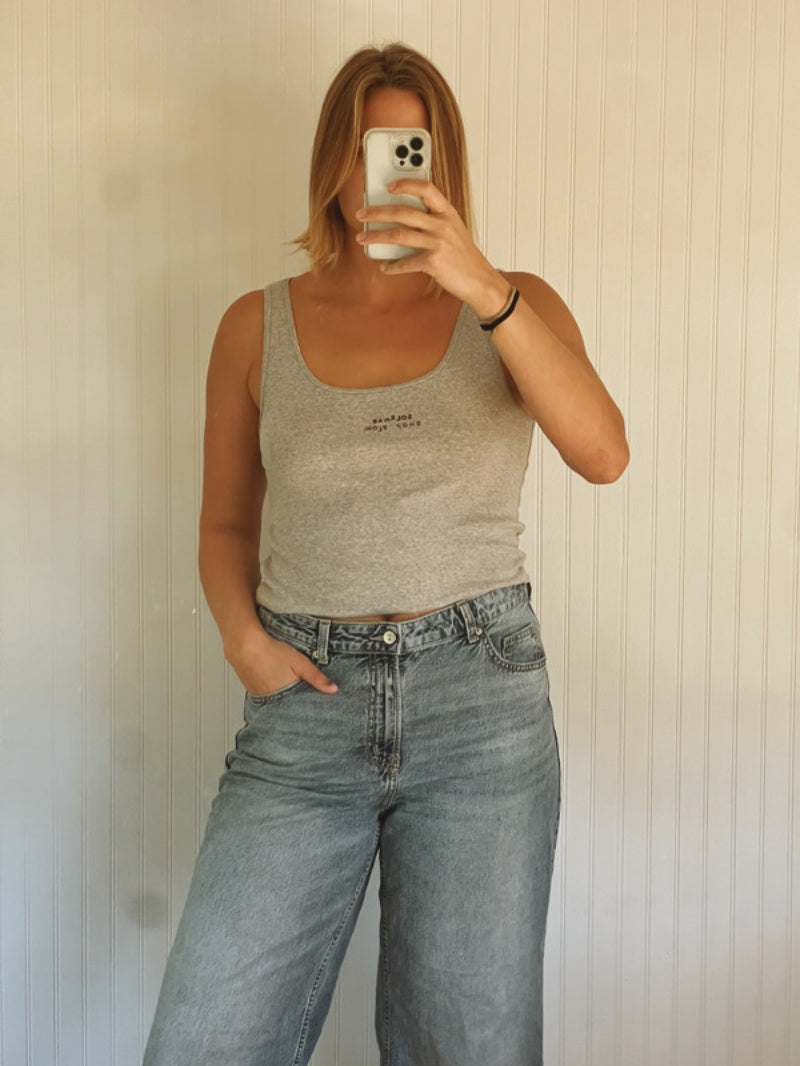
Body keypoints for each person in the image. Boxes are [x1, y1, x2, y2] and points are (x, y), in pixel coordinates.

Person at [143, 42, 628, 1066]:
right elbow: (225, 524)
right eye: (373, 148)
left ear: (444, 164)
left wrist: (483, 287)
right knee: (204, 1038)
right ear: (334, 159)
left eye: (415, 151)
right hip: (302, 710)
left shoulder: (513, 302)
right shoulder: (255, 326)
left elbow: (603, 454)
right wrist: (240, 638)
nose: (392, 173)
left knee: (467, 1045)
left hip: (480, 707)